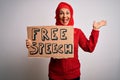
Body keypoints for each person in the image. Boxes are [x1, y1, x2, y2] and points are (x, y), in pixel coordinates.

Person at [26, 2, 107, 80]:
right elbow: (44, 47)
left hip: (73, 76)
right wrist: (33, 45)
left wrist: (95, 30)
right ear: (57, 15)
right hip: (55, 75)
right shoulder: (51, 32)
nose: (65, 16)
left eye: (67, 13)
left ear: (71, 15)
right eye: (61, 13)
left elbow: (89, 48)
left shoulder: (77, 32)